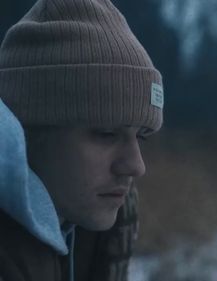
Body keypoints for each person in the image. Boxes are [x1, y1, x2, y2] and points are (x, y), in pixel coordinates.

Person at [0, 0, 164, 280]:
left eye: (140, 137)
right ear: (26, 131)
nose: (136, 166)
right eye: (106, 134)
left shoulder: (90, 227)